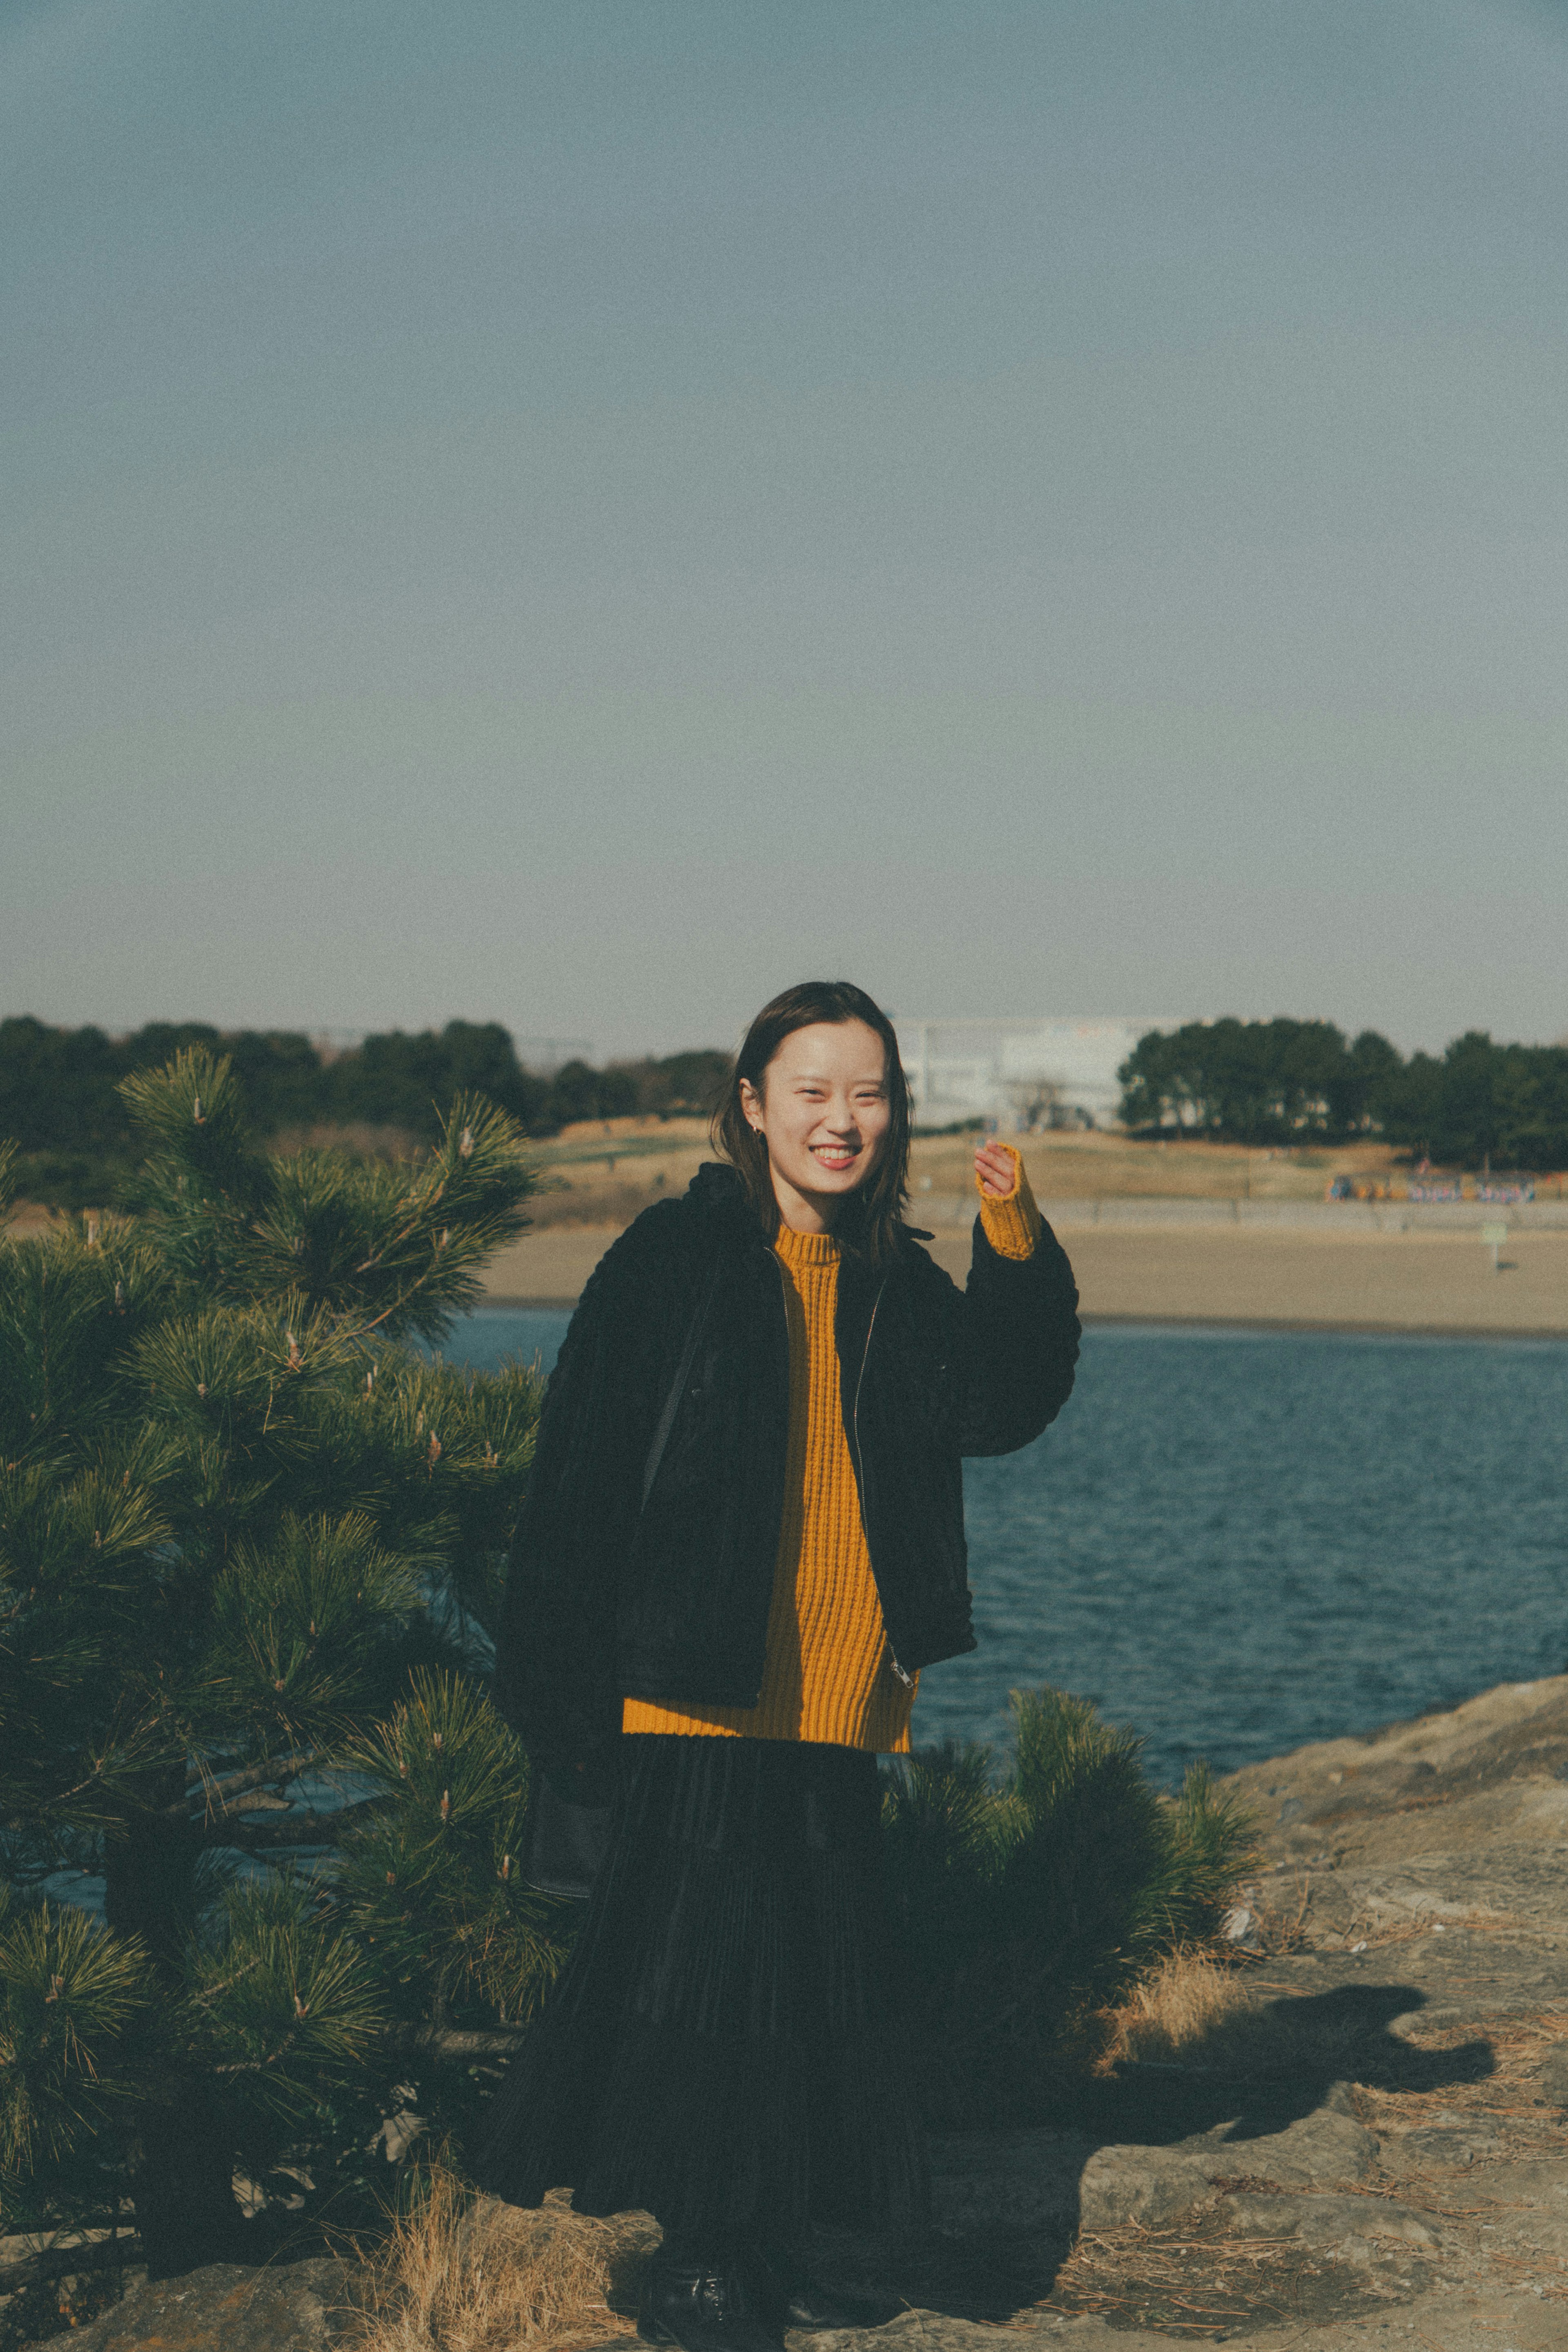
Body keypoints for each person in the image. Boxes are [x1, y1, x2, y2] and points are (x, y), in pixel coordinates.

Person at [482, 980, 1080, 2352]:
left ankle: (772, 2245)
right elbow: (576, 1481)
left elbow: (999, 1401)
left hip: (840, 1691)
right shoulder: (670, 1261)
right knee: (698, 1982)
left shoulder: (891, 1278)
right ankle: (695, 2262)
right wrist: (563, 1702)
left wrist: (1013, 1235)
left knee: (809, 1981)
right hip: (691, 1685)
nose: (843, 1120)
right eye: (812, 1091)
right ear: (751, 1106)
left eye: (868, 1093)